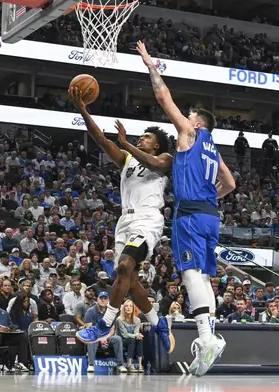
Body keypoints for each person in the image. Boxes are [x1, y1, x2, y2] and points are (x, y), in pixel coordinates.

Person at [116, 40, 236, 377]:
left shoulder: (189, 134)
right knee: (204, 276)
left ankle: (206, 336)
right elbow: (230, 184)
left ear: (197, 124)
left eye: (190, 117)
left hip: (192, 216)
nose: (184, 120)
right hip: (212, 214)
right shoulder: (214, 147)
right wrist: (210, 196)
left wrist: (149, 63)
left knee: (189, 273)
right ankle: (209, 334)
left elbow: (163, 97)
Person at [69, 85, 173, 352]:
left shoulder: (165, 157)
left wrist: (126, 142)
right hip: (124, 222)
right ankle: (157, 320)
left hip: (148, 219)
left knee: (125, 266)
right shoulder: (127, 159)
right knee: (130, 280)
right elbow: (102, 140)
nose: (141, 139)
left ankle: (104, 323)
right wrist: (83, 111)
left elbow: (157, 165)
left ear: (157, 143)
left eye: (146, 137)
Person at [115, 300, 144, 372]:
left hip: (131, 339)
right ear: (123, 308)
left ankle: (140, 364)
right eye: (126, 306)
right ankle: (129, 363)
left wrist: (138, 335)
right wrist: (136, 335)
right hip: (121, 340)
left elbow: (136, 332)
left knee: (139, 339)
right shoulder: (119, 319)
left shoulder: (137, 320)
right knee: (132, 339)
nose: (128, 308)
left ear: (133, 308)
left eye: (130, 306)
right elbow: (124, 335)